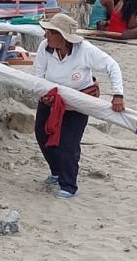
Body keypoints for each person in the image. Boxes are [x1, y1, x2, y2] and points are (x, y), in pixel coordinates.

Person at [33, 13, 126, 199]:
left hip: (79, 100)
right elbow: (38, 76)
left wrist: (118, 94)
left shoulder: (85, 50)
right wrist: (44, 95)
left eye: (50, 33)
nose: (46, 36)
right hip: (51, 98)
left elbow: (112, 66)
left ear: (63, 37)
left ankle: (68, 184)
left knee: (69, 142)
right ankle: (56, 170)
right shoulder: (45, 48)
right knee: (42, 134)